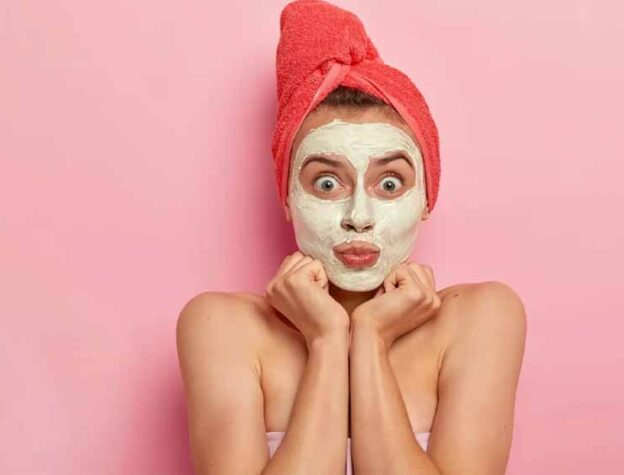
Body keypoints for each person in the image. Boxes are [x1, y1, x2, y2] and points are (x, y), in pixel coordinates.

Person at [176, 1, 526, 474]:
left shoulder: (481, 317)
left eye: (389, 184)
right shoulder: (221, 326)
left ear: (426, 198)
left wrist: (371, 337)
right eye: (326, 183)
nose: (358, 217)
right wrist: (327, 338)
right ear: (286, 198)